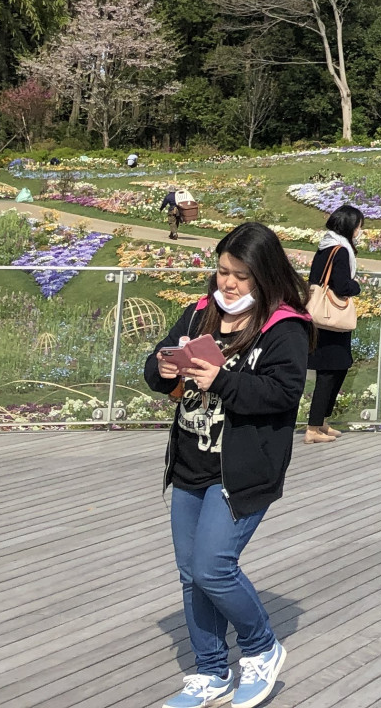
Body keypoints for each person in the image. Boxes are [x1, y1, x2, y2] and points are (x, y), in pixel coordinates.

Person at [144, 222, 310, 708]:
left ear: (264, 276)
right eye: (221, 272)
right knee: (190, 573)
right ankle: (211, 671)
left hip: (240, 472)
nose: (228, 284)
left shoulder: (285, 325)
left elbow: (282, 396)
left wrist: (221, 381)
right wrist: (163, 368)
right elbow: (155, 366)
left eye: (240, 275)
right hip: (190, 465)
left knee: (214, 566)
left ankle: (261, 648)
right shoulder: (200, 313)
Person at [304, 203, 363, 444]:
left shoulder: (326, 246)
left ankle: (321, 421)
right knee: (330, 372)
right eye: (359, 226)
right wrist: (356, 286)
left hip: (323, 320)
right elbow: (340, 285)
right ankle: (313, 427)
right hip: (331, 321)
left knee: (335, 369)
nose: (360, 231)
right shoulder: (339, 250)